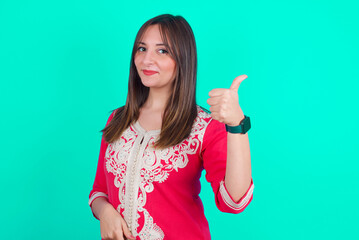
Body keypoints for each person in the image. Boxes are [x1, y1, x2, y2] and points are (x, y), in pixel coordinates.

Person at [89, 14, 254, 240]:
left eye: (162, 51)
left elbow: (234, 201)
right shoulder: (118, 120)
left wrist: (236, 125)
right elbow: (99, 191)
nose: (147, 60)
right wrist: (106, 212)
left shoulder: (203, 127)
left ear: (183, 58)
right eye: (141, 49)